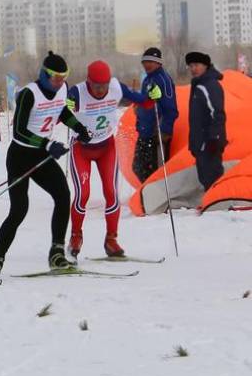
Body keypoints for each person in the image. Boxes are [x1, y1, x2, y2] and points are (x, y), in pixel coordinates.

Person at [0, 52, 90, 284]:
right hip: (20, 156)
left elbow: (60, 111)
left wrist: (80, 128)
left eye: (64, 77)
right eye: (55, 77)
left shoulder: (61, 89)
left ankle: (57, 254)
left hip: (42, 155)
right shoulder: (29, 94)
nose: (60, 81)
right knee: (19, 209)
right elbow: (19, 132)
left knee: (63, 196)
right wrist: (47, 143)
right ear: (44, 74)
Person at [66, 60, 156, 259]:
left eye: (104, 85)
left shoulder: (115, 88)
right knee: (83, 194)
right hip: (82, 148)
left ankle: (111, 240)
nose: (101, 90)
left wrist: (153, 97)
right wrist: (68, 103)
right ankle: (75, 236)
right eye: (97, 86)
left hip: (106, 147)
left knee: (111, 193)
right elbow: (62, 106)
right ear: (88, 81)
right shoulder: (78, 92)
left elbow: (144, 102)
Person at [132, 47, 178, 183]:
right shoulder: (147, 80)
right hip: (144, 132)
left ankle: (158, 196)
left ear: (158, 62)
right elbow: (146, 102)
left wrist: (165, 130)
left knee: (155, 171)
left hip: (156, 133)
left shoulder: (163, 80)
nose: (147, 65)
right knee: (138, 167)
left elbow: (171, 108)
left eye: (150, 62)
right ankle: (148, 194)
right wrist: (138, 109)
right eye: (144, 62)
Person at [185, 51, 227, 190]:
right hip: (201, 142)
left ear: (205, 66)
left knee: (212, 177)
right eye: (190, 66)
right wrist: (194, 143)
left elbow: (217, 113)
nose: (193, 69)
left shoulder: (209, 85)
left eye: (196, 65)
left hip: (209, 142)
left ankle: (217, 204)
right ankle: (211, 204)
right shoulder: (198, 85)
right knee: (205, 177)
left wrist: (214, 138)